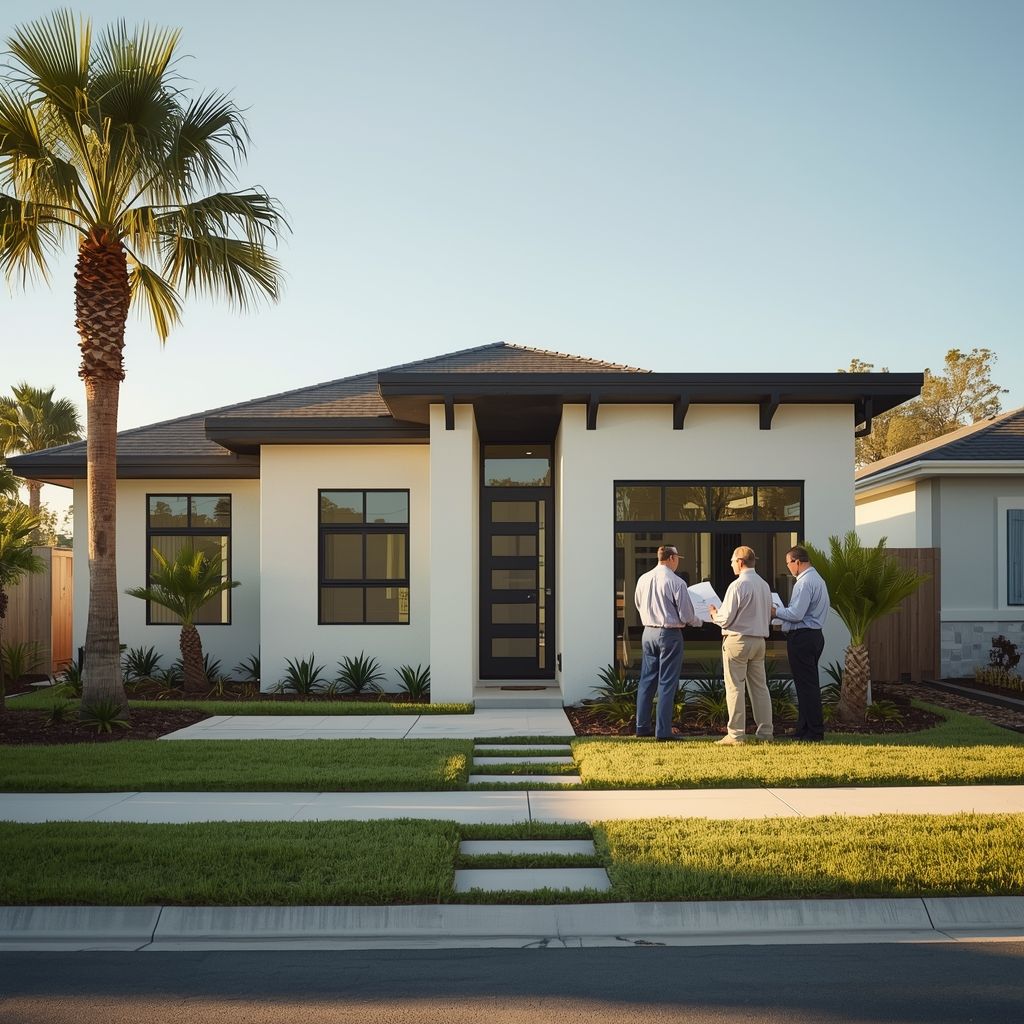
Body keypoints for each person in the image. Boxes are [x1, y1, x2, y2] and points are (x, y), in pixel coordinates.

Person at [633, 544, 701, 740]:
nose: (678, 560)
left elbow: (638, 604)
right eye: (677, 557)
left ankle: (642, 726)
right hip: (669, 634)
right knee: (667, 683)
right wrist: (701, 620)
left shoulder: (643, 579)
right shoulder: (676, 582)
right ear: (671, 558)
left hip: (648, 632)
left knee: (646, 680)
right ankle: (662, 731)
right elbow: (687, 615)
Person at [708, 546, 773, 745]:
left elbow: (726, 619)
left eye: (732, 561)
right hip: (759, 641)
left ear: (740, 562)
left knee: (735, 687)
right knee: (760, 688)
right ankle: (765, 733)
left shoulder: (737, 586)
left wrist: (713, 614)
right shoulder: (764, 585)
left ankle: (736, 734)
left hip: (738, 640)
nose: (730, 564)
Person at [772, 545, 831, 742]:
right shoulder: (819, 580)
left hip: (803, 638)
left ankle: (814, 731)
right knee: (807, 684)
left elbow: (796, 614)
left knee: (807, 686)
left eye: (788, 563)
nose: (788, 567)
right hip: (814, 636)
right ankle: (804, 729)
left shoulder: (804, 583)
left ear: (797, 562)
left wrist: (776, 612)